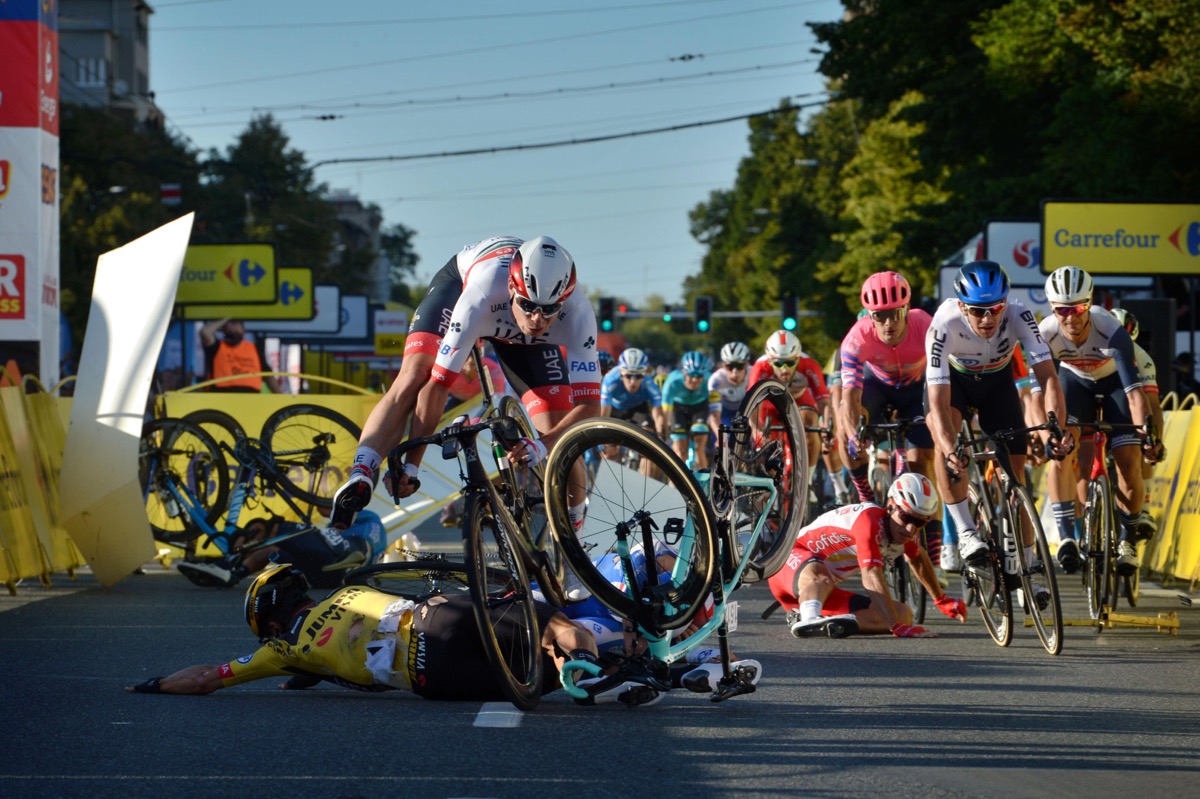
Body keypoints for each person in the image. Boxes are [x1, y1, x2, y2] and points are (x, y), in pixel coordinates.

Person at [330, 237, 601, 543]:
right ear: (513, 288)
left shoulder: (578, 313)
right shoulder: (480, 294)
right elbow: (437, 387)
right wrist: (412, 467)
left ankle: (575, 544)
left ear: (564, 300)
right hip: (465, 286)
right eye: (529, 305)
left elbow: (591, 407)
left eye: (549, 309)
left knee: (563, 442)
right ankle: (362, 471)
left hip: (524, 343)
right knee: (416, 374)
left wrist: (543, 444)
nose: (537, 318)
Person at [126, 563, 617, 702]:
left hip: (428, 679)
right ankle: (606, 663)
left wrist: (154, 683)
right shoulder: (346, 592)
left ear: (271, 626)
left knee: (538, 681)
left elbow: (206, 679)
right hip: (434, 616)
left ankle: (587, 679)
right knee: (552, 624)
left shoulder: (284, 650)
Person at [924, 261, 1073, 574]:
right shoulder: (944, 323)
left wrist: (1056, 429)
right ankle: (965, 531)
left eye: (995, 308)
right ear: (963, 307)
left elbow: (1048, 379)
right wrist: (951, 447)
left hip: (997, 382)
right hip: (956, 384)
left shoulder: (1019, 314)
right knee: (947, 444)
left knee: (1016, 475)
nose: (989, 318)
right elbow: (937, 404)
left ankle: (1028, 564)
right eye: (978, 311)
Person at [1038, 267, 1163, 576]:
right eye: (1062, 309)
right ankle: (1067, 535)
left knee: (1128, 458)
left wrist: (1148, 434)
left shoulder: (1111, 329)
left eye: (1079, 307)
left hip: (1114, 384)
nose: (1071, 316)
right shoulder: (1046, 333)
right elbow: (1046, 391)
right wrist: (1050, 433)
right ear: (1053, 309)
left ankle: (1126, 539)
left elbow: (1135, 394)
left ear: (1090, 302)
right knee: (1062, 450)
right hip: (1074, 382)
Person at [838, 271, 947, 581]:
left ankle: (935, 561)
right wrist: (852, 433)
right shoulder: (857, 337)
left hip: (916, 388)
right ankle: (865, 495)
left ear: (906, 308)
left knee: (921, 465)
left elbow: (945, 378)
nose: (888, 323)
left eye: (895, 314)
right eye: (879, 316)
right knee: (847, 424)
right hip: (877, 387)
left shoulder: (925, 324)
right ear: (870, 316)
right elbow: (850, 393)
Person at [767, 473, 967, 638]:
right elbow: (871, 574)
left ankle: (823, 622)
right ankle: (808, 618)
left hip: (818, 592)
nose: (910, 528)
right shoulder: (869, 520)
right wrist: (895, 628)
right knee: (823, 577)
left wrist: (941, 600)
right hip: (788, 562)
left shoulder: (906, 533)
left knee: (903, 614)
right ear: (890, 505)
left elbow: (918, 558)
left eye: (919, 523)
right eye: (906, 517)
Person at [175, 510, 389, 589]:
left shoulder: (369, 519)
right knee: (274, 549)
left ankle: (228, 560)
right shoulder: (378, 535)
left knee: (273, 526)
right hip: (328, 577)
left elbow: (329, 509)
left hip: (345, 552)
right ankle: (231, 573)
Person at [748, 330, 834, 493]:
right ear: (770, 360)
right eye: (779, 364)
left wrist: (828, 425)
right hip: (770, 406)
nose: (785, 369)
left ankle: (806, 482)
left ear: (798, 357)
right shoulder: (760, 368)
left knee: (810, 423)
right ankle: (766, 491)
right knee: (766, 449)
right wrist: (757, 431)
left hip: (800, 401)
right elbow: (752, 405)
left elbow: (824, 401)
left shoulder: (809, 365)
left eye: (790, 362)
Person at [1111, 308, 1165, 537]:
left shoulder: (1142, 358)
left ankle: (1143, 505)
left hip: (1128, 403)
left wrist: (1154, 441)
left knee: (1144, 440)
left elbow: (1152, 404)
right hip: (1101, 399)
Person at [660, 351, 721, 469]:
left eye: (699, 376)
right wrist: (664, 429)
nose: (695, 380)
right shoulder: (673, 381)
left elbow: (715, 413)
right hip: (678, 409)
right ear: (683, 372)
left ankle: (704, 484)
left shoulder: (710, 381)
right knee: (679, 450)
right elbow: (665, 412)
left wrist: (719, 436)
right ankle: (676, 483)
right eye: (691, 375)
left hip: (700, 408)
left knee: (699, 446)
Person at [199, 318, 280, 393]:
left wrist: (280, 396)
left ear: (243, 329)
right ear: (223, 329)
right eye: (228, 325)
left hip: (251, 398)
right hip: (222, 395)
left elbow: (268, 375)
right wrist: (225, 319)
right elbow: (205, 332)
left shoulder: (254, 349)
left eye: (235, 323)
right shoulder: (217, 347)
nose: (232, 328)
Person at [709, 341, 751, 427]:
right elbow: (714, 415)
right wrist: (721, 438)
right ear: (723, 365)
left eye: (739, 366)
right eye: (730, 367)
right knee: (721, 438)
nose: (735, 372)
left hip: (748, 413)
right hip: (724, 414)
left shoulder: (754, 374)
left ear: (747, 364)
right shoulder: (716, 380)